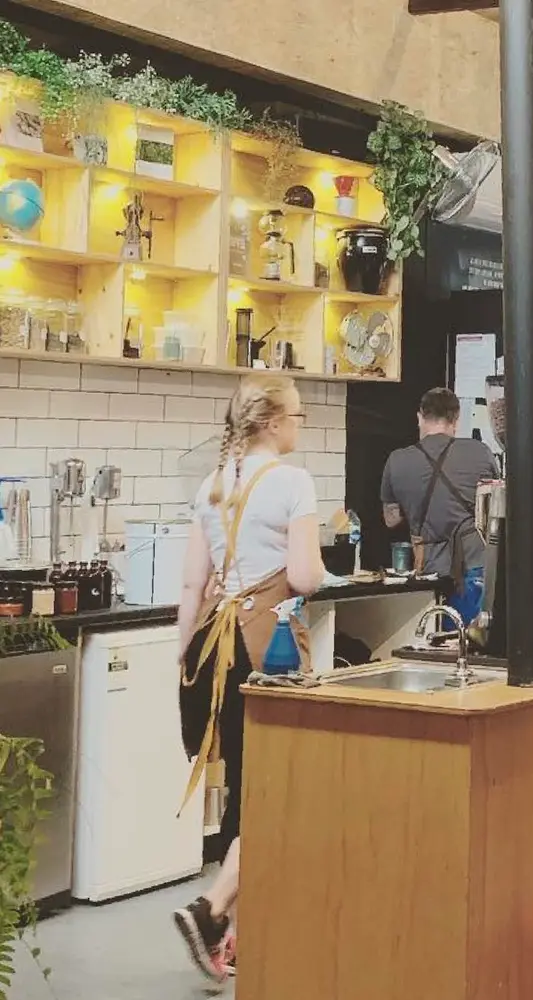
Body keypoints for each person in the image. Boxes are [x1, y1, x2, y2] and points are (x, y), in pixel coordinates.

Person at [172, 374, 325, 982]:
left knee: (243, 781)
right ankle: (211, 910)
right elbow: (307, 578)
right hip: (270, 650)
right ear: (271, 422)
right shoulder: (293, 482)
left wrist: (183, 658)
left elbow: (191, 583)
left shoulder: (214, 484)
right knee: (274, 789)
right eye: (297, 414)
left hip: (214, 648)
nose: (300, 423)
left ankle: (233, 934)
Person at [381, 387, 498, 581]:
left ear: (419, 417)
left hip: (430, 571)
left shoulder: (397, 460)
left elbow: (391, 520)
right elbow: (494, 506)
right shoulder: (480, 452)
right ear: (456, 420)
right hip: (477, 567)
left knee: (436, 612)